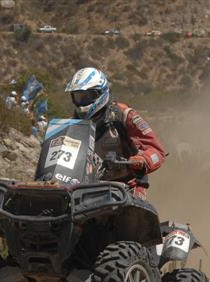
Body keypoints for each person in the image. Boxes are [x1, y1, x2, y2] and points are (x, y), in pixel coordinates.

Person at [65, 67, 165, 199]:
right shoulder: (71, 124)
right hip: (84, 187)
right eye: (79, 97)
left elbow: (157, 151)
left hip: (126, 187)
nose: (83, 102)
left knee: (133, 216)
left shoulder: (123, 115)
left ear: (101, 93)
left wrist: (143, 159)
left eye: (88, 96)